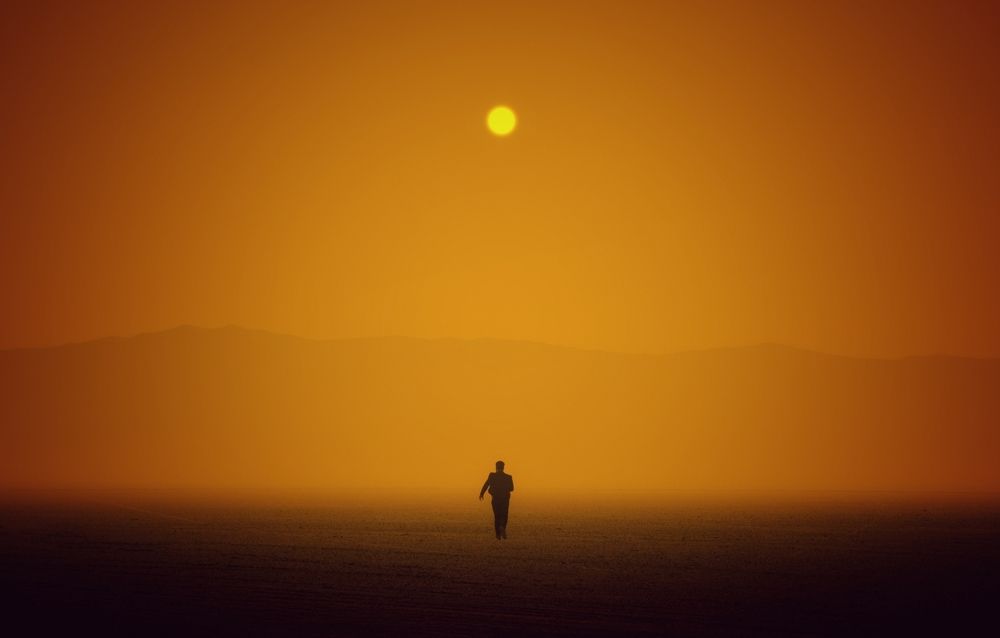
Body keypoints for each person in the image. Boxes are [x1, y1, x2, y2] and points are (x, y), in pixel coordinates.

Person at [479, 460, 514, 540]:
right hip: (505, 499)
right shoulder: (508, 477)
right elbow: (512, 488)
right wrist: (504, 489)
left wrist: (482, 493)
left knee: (497, 515)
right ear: (503, 467)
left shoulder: (492, 476)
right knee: (504, 515)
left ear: (496, 467)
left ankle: (498, 534)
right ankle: (502, 527)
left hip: (495, 499)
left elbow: (486, 484)